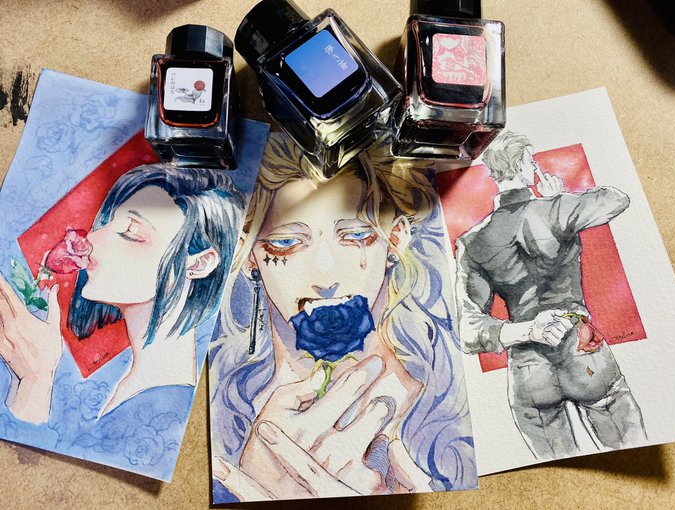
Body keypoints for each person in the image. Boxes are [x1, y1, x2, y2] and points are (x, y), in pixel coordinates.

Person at [209, 136, 476, 501]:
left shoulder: (447, 409)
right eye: (286, 243)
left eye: (356, 236)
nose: (326, 275)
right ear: (248, 253)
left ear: (396, 238)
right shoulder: (225, 415)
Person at [0, 164, 244, 478]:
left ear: (198, 264)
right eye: (106, 223)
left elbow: (57, 485)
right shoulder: (125, 383)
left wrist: (35, 381)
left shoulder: (163, 417)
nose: (92, 240)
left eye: (131, 234)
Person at [454, 131, 646, 460]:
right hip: (584, 355)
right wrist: (559, 197)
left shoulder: (472, 242)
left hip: (529, 373)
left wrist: (529, 329)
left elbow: (468, 329)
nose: (535, 168)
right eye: (531, 162)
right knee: (632, 456)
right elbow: (617, 199)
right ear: (520, 165)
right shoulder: (556, 208)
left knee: (560, 470)